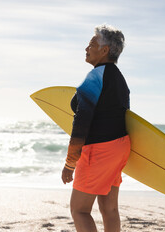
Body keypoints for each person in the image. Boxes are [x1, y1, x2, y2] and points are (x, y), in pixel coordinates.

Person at [61, 24, 130, 232]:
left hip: (98, 151)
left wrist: (70, 163)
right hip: (119, 147)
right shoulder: (119, 79)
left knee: (79, 210)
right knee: (109, 209)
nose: (86, 48)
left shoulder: (95, 77)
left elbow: (81, 123)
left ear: (104, 50)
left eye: (91, 43)